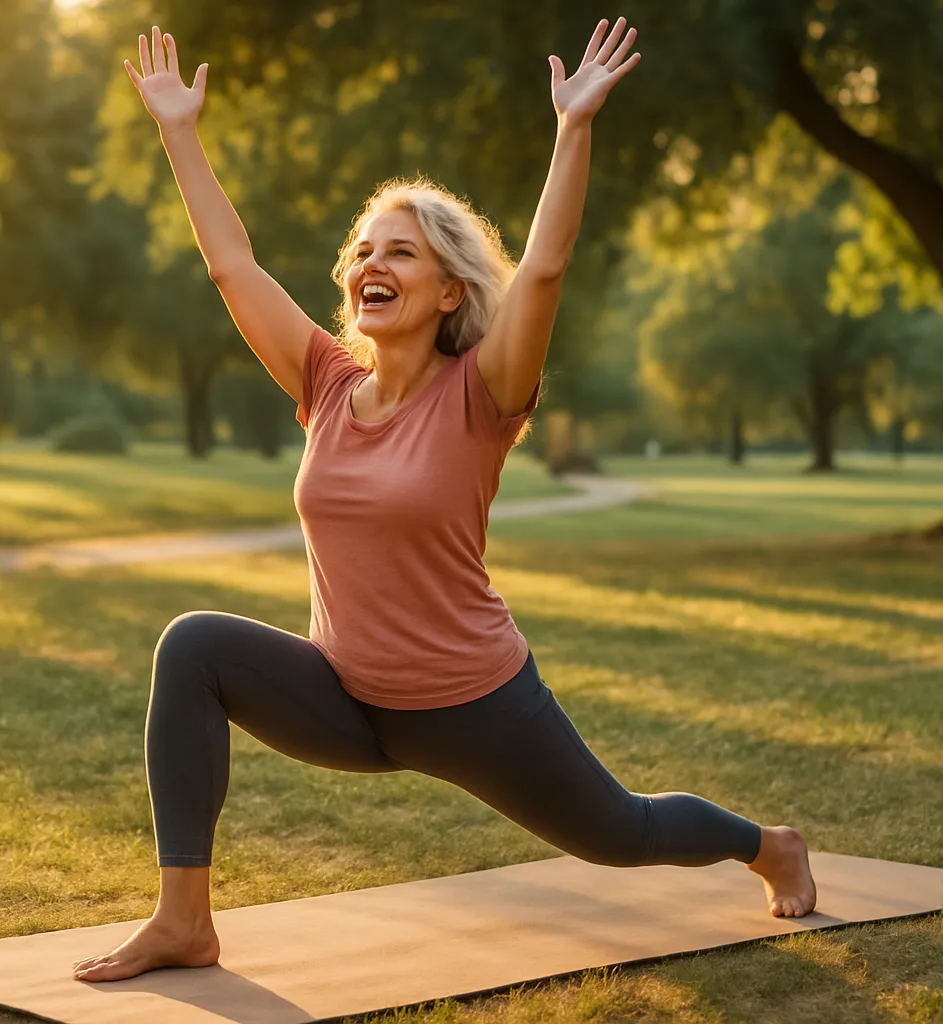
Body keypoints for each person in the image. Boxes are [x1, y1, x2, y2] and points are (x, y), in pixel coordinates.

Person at [73, 18, 816, 984]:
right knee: (194, 646)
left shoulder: (484, 394)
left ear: (449, 290)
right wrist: (179, 131)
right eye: (364, 250)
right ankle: (184, 920)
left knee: (619, 831)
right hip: (347, 700)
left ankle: (769, 844)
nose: (372, 264)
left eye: (403, 253)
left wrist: (574, 129)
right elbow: (233, 268)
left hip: (475, 704)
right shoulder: (327, 384)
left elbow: (542, 269)